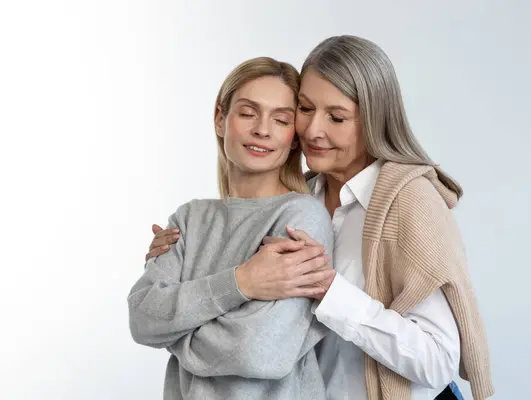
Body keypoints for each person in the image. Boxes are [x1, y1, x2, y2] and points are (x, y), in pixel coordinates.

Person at [147, 35, 494, 400]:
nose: (313, 130)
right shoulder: (298, 199)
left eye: (337, 117)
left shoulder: (409, 203)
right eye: (306, 109)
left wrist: (331, 294)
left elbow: (438, 361)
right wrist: (181, 261)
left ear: (374, 119)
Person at [128, 57, 336, 400]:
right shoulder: (188, 219)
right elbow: (142, 320)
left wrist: (176, 328)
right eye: (248, 113)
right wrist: (242, 282)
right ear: (220, 118)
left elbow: (255, 350)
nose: (263, 130)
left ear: (294, 138)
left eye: (281, 119)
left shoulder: (302, 217)